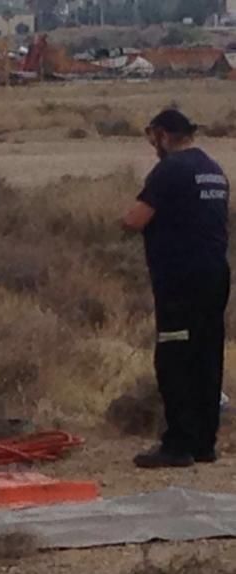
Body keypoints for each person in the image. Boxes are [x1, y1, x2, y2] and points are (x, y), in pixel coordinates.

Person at [121, 109, 230, 469]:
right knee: (206, 356)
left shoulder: (170, 170)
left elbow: (135, 220)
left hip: (179, 279)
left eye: (153, 138)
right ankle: (204, 442)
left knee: (174, 358)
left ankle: (177, 444)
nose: (153, 146)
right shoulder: (214, 170)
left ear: (165, 135)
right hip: (215, 275)